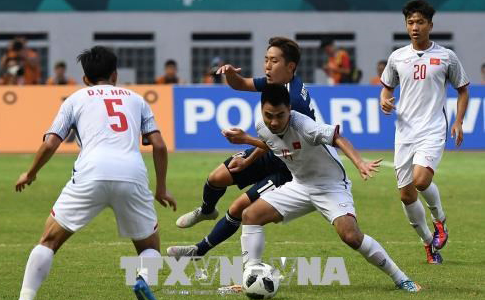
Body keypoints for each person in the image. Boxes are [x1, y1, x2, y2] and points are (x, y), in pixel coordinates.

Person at [15, 46, 176, 300]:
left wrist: (30, 172)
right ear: (115, 75)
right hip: (132, 175)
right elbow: (158, 145)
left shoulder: (76, 99)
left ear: (85, 79)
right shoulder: (137, 100)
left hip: (91, 172)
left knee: (48, 241)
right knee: (150, 248)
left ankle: (26, 296)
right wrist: (161, 188)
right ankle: (143, 279)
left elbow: (51, 143)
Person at [225, 84, 420, 292]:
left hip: (330, 185)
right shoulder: (262, 125)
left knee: (351, 236)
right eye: (268, 115)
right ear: (262, 109)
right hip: (299, 185)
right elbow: (270, 142)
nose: (273, 122)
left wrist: (360, 163)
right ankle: (251, 277)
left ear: (289, 109)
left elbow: (337, 138)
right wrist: (246, 160)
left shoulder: (304, 126)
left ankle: (401, 279)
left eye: (280, 115)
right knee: (250, 215)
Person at [167, 37, 315, 259]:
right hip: (272, 151)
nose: (267, 65)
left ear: (290, 66)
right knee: (216, 177)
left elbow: (286, 147)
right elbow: (241, 84)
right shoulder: (276, 81)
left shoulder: (295, 101)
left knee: (238, 209)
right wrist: (230, 74)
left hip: (289, 167)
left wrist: (246, 140)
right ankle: (207, 210)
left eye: (273, 61)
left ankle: (198, 251)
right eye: (266, 59)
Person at [380, 0, 469, 264]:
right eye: (410, 23)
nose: (415, 27)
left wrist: (459, 121)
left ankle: (440, 220)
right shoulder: (397, 57)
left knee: (420, 181)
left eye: (420, 22)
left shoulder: (446, 56)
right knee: (406, 195)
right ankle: (428, 244)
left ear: (430, 25)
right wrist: (384, 100)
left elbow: (463, 89)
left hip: (432, 129)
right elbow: (386, 88)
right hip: (404, 132)